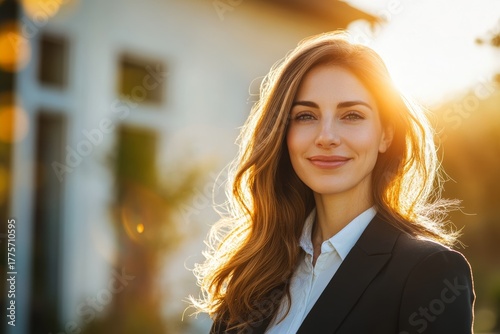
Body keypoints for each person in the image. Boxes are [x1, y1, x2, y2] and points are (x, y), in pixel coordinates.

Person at [190, 31, 475, 333]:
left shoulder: (429, 272)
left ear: (385, 135)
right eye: (305, 116)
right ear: (284, 134)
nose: (326, 137)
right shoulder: (255, 272)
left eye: (351, 115)